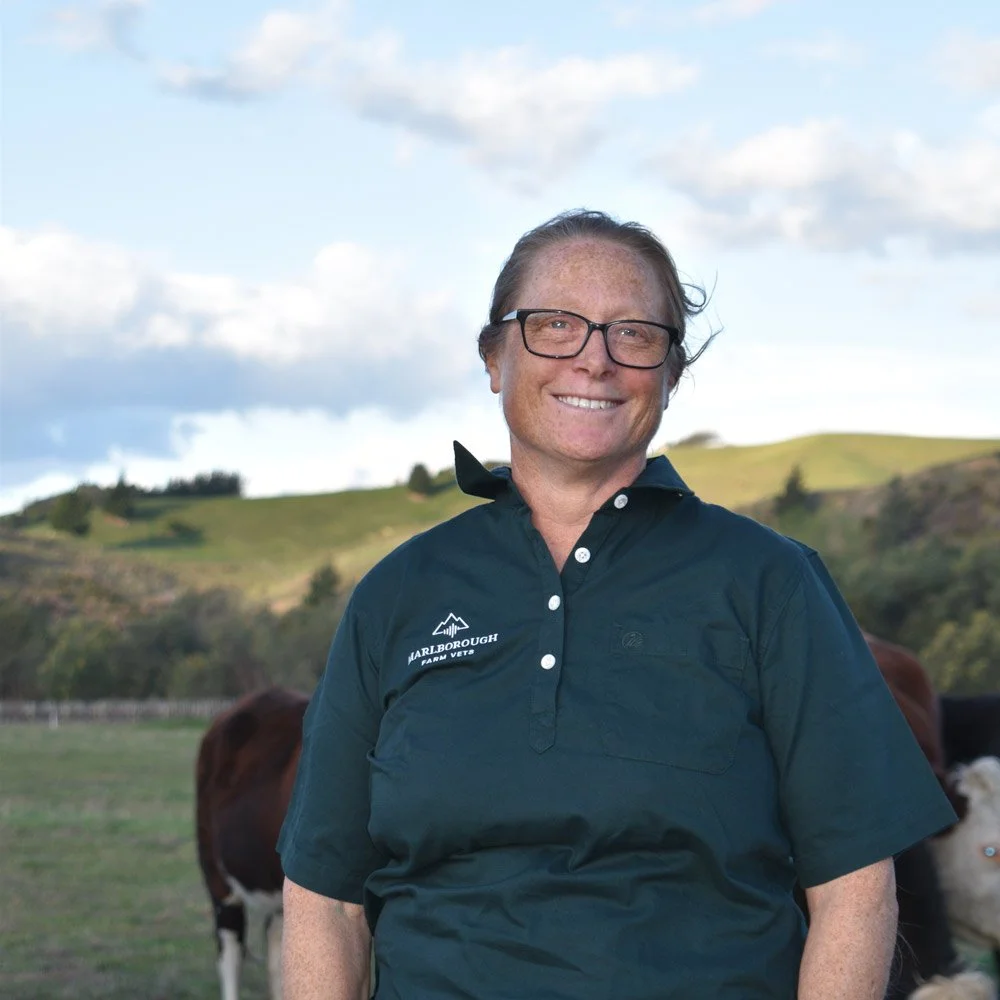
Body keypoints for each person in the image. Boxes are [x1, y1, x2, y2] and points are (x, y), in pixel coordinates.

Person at [278, 210, 956, 999]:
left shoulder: (771, 582)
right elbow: (326, 900)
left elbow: (855, 891)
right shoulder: (397, 595)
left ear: (671, 373)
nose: (593, 360)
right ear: (494, 358)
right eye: (554, 325)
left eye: (634, 334)